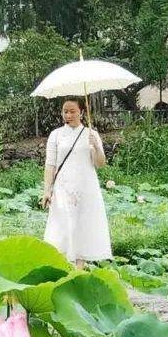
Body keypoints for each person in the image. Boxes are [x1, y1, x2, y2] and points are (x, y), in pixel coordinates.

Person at [40, 97, 111, 268]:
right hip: (63, 186)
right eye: (65, 111)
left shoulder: (91, 134)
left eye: (72, 111)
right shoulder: (56, 135)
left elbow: (100, 163)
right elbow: (50, 165)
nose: (68, 115)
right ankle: (63, 264)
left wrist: (96, 147)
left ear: (82, 112)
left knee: (82, 224)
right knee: (63, 223)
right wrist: (47, 190)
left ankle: (79, 267)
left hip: (86, 186)